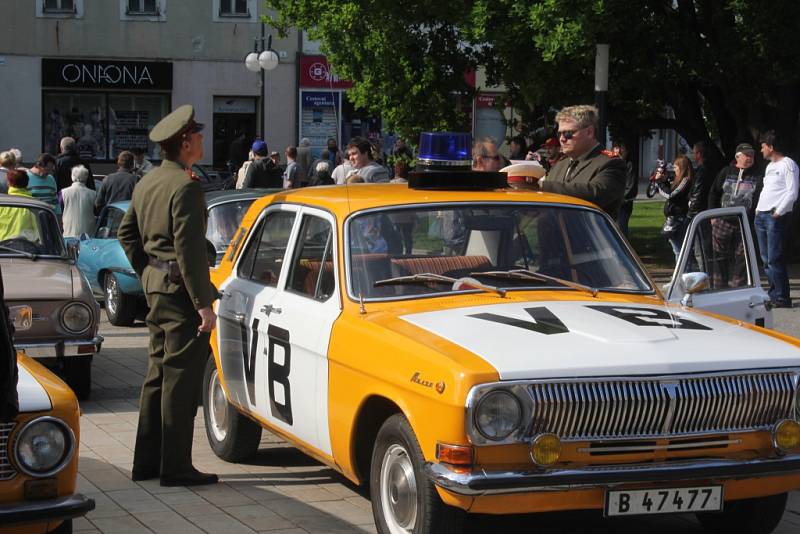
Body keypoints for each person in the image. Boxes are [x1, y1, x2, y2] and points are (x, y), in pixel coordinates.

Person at [117, 104, 219, 487]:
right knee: (179, 379)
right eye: (198, 134)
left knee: (157, 374)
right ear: (186, 142)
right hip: (179, 295)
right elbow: (190, 251)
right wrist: (203, 305)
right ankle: (175, 467)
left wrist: (146, 271)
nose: (202, 139)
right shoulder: (186, 186)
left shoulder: (146, 182)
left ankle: (147, 462)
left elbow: (126, 233)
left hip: (157, 289)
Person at [539, 105, 627, 219]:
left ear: (589, 132)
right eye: (559, 134)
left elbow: (595, 194)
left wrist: (542, 186)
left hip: (586, 235)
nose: (562, 139)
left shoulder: (611, 163)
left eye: (568, 133)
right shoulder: (561, 164)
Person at [707, 142, 763, 289]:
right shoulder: (726, 172)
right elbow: (713, 193)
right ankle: (718, 288)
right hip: (723, 221)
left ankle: (737, 288)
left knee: (742, 258)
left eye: (752, 155)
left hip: (744, 223)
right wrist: (713, 217)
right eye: (747, 155)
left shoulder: (757, 175)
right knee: (719, 256)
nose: (750, 158)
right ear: (738, 157)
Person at [754, 130, 799, 308]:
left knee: (775, 258)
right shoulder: (770, 167)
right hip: (762, 215)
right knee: (766, 259)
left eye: (763, 146)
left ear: (771, 147)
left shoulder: (788, 164)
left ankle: (782, 296)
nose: (761, 150)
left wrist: (778, 212)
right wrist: (758, 210)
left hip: (774, 216)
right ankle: (774, 293)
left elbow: (792, 191)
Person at [658, 154, 693, 259]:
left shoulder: (685, 180)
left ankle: (682, 273)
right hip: (674, 217)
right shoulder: (678, 180)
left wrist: (660, 183)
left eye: (675, 167)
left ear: (681, 168)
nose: (674, 170)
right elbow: (671, 192)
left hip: (680, 218)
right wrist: (664, 180)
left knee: (679, 249)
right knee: (676, 249)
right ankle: (681, 272)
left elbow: (670, 195)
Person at [0, 170, 39, 242]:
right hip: (26, 250)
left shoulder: (2, 203)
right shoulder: (35, 205)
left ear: (9, 183)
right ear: (26, 184)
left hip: (3, 249)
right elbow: (38, 232)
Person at [61, 165, 96, 238]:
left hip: (68, 231)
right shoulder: (93, 194)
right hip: (88, 234)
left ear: (72, 177)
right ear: (86, 177)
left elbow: (59, 210)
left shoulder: (62, 193)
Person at [614, 143, 637, 236]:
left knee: (621, 231)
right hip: (610, 204)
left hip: (622, 205)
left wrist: (619, 200)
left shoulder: (629, 165)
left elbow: (630, 187)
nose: (618, 151)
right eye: (616, 148)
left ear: (626, 152)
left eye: (621, 148)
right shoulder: (610, 164)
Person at [688, 141, 712, 218]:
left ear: (699, 154)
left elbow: (698, 194)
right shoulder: (706, 169)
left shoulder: (702, 171)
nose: (693, 155)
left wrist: (691, 213)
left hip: (698, 213)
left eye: (694, 153)